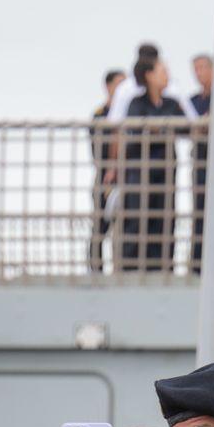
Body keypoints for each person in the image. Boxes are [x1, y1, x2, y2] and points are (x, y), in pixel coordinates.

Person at [119, 57, 186, 274]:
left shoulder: (172, 104)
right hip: (140, 171)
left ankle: (163, 267)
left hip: (165, 171)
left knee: (164, 219)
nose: (167, 75)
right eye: (162, 71)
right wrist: (162, 129)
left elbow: (184, 127)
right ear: (148, 75)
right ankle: (130, 269)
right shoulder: (136, 103)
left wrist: (158, 129)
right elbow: (136, 130)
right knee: (137, 219)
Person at [107, 42, 198, 122]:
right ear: (149, 74)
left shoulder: (124, 87)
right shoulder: (132, 97)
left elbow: (191, 123)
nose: (167, 76)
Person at [89, 68, 124, 274]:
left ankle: (121, 269)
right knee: (99, 226)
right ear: (108, 87)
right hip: (104, 179)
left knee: (125, 230)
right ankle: (95, 270)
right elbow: (97, 150)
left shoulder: (129, 112)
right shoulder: (100, 115)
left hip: (127, 178)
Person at [190, 55, 213, 275]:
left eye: (202, 68)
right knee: (199, 212)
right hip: (199, 162)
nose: (198, 73)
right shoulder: (193, 100)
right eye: (195, 69)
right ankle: (196, 264)